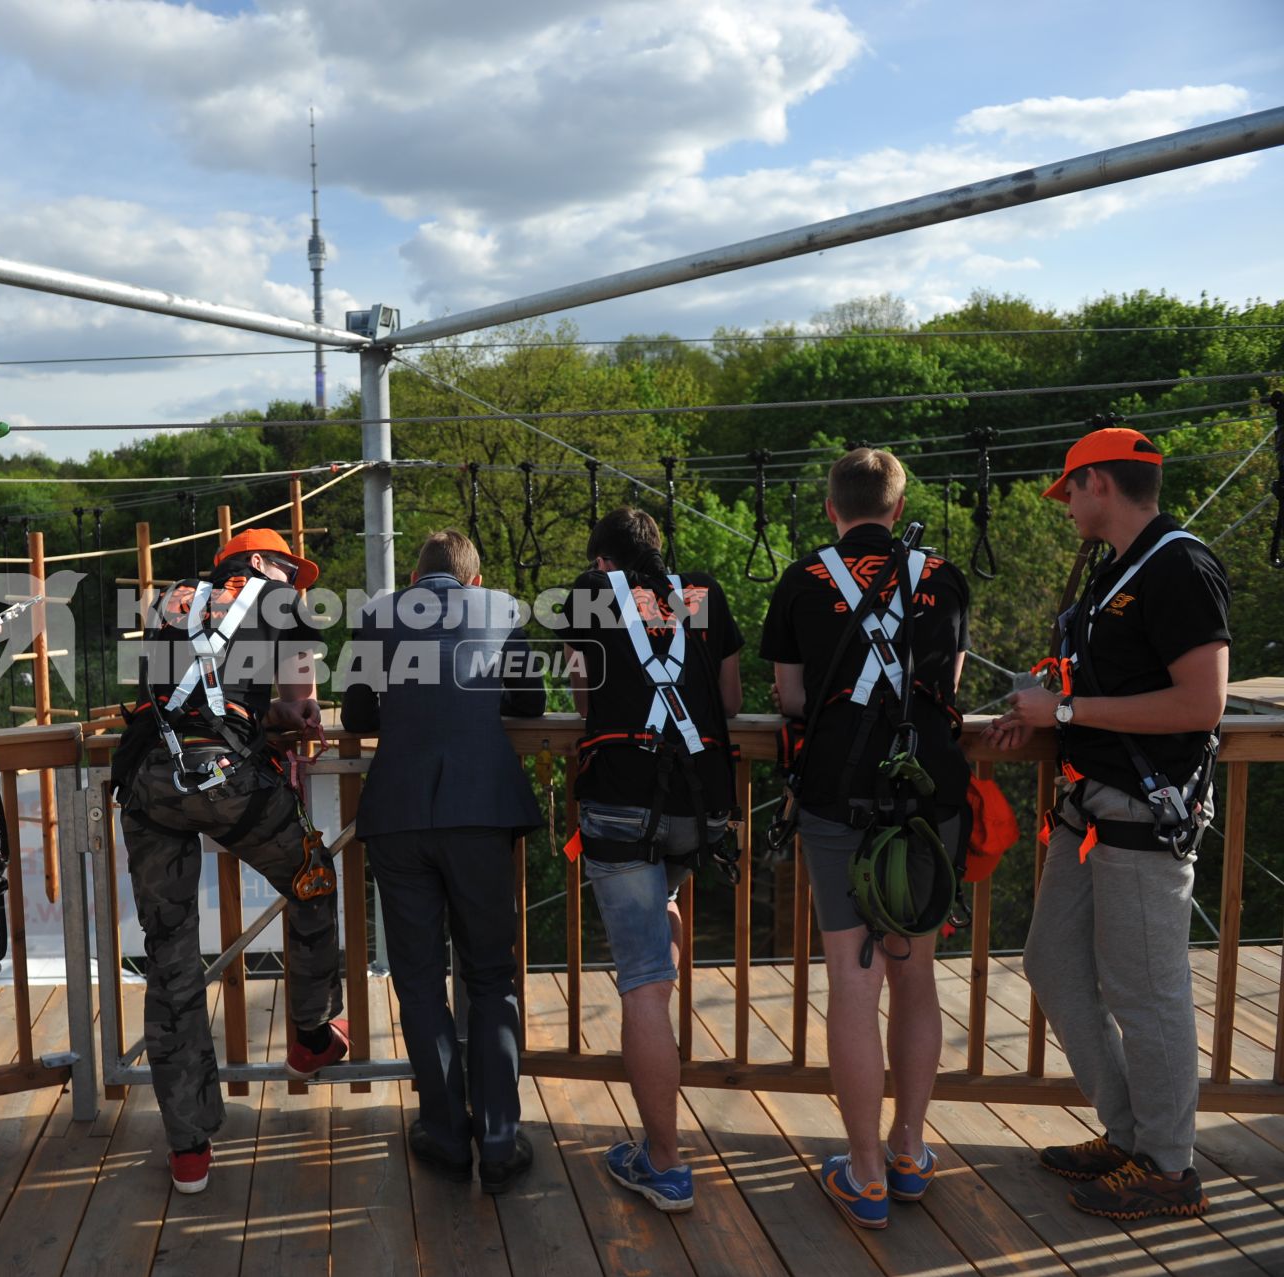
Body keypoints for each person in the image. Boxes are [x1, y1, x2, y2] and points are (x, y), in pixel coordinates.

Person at [987, 426, 1227, 1220]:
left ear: (1099, 484)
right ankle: (1130, 1135)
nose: (1064, 509)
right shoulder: (1115, 571)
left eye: (1068, 493)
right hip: (1089, 806)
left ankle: (1168, 1164)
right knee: (1052, 960)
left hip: (1142, 812)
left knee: (1148, 992)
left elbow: (1201, 703)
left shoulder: (1179, 565)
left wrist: (1065, 706)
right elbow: (1107, 682)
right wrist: (1048, 715)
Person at [760, 448, 970, 1230]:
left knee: (855, 980)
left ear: (832, 507)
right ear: (899, 501)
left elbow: (789, 696)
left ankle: (866, 1170)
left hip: (838, 795)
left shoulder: (803, 579)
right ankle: (910, 1148)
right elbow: (942, 689)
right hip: (923, 792)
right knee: (914, 971)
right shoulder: (942, 574)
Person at [111, 528, 346, 1195]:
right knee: (311, 877)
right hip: (228, 781)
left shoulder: (169, 600)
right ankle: (307, 1036)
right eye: (290, 569)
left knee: (171, 955)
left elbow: (175, 696)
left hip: (150, 780)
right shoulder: (286, 601)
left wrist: (253, 712)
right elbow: (301, 704)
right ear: (268, 564)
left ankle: (188, 1147)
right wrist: (297, 717)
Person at [341, 530, 545, 1193]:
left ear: (413, 576)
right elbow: (532, 705)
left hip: (398, 814)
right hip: (481, 810)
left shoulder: (376, 615)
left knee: (420, 978)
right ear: (474, 579)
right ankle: (500, 1136)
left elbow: (354, 715)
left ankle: (445, 1133)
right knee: (490, 975)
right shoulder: (501, 610)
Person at [558, 507, 743, 1213]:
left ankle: (664, 1161)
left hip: (621, 797)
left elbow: (582, 697)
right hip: (699, 803)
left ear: (602, 560)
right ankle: (657, 1021)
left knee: (639, 977)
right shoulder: (700, 591)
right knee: (658, 919)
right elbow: (727, 698)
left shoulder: (586, 593)